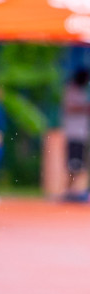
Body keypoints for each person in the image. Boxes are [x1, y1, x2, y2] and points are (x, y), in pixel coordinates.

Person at [61, 68, 89, 201]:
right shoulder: (71, 90)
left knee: (78, 164)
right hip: (74, 133)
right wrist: (85, 107)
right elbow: (69, 107)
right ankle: (68, 192)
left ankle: (72, 192)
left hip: (81, 133)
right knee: (73, 164)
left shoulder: (81, 91)